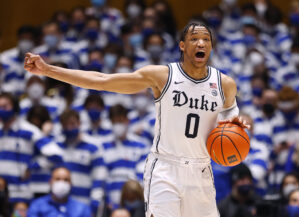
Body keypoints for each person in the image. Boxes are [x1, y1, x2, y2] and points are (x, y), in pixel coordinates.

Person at [24, 22, 249, 217]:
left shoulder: (224, 84)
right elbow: (102, 80)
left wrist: (238, 133)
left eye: (206, 39)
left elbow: (233, 127)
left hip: (201, 170)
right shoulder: (163, 76)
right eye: (194, 39)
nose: (201, 43)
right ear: (182, 45)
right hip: (166, 168)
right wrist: (48, 70)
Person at [27, 167, 91, 217]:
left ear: (71, 184)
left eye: (66, 180)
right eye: (58, 179)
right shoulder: (37, 205)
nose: (61, 183)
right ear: (50, 182)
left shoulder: (82, 208)